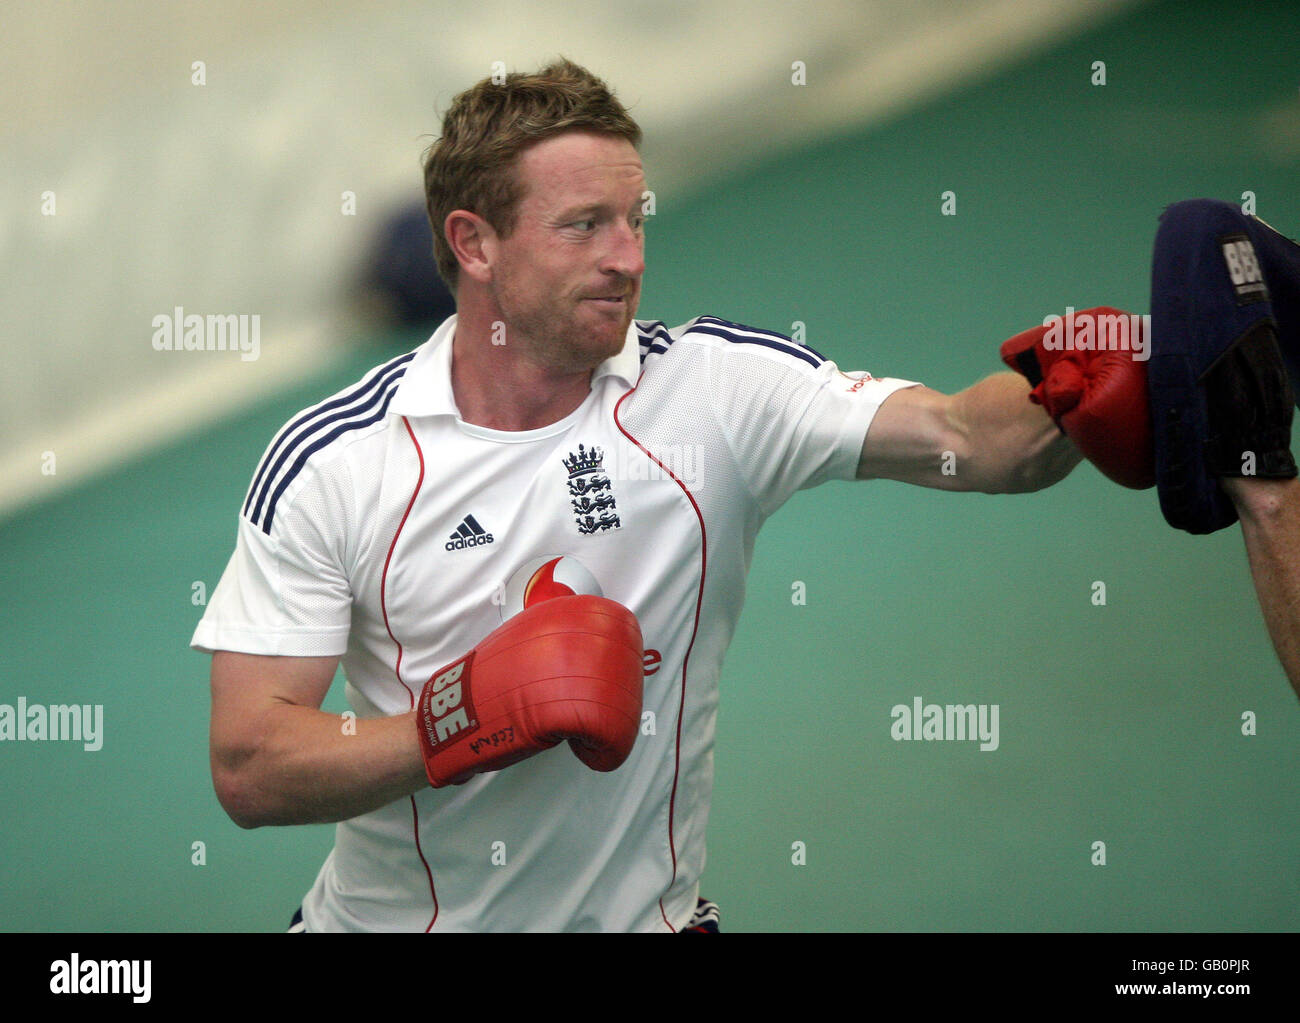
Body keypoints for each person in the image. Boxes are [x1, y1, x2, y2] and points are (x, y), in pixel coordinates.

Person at [192, 59, 1300, 933]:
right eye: (584, 225)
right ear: (472, 243)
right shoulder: (336, 460)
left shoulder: (710, 389)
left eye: (636, 218)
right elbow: (250, 762)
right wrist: (456, 720)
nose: (626, 256)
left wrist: (1073, 385)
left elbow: (968, 437)